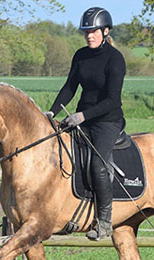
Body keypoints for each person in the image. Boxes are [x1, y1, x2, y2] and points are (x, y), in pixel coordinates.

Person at [44, 7, 126, 241]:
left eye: (94, 31)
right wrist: (52, 111)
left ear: (106, 31)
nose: (89, 35)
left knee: (99, 165)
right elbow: (70, 88)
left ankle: (105, 221)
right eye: (86, 32)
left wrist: (83, 116)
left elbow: (113, 100)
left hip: (106, 121)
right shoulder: (80, 56)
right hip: (81, 117)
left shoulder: (115, 59)